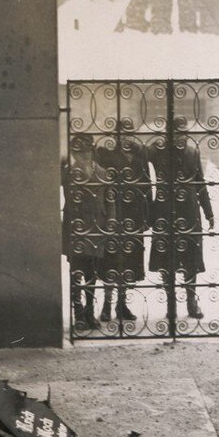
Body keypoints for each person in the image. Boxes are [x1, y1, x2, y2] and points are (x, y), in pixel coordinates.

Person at [146, 127, 215, 320]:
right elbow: (143, 153)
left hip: (189, 211)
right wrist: (159, 141)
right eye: (176, 133)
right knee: (166, 257)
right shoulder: (159, 151)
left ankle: (191, 302)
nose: (181, 137)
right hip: (164, 211)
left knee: (191, 257)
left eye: (183, 133)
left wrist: (209, 213)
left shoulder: (192, 152)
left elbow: (200, 183)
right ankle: (171, 304)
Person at [94, 136, 152, 323]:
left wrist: (147, 216)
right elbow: (101, 183)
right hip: (114, 214)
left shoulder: (139, 155)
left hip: (134, 217)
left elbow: (147, 187)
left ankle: (121, 304)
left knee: (129, 260)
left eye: (128, 131)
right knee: (111, 259)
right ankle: (106, 305)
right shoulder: (107, 154)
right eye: (122, 132)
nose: (125, 136)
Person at [61, 133, 114, 331]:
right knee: (76, 273)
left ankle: (89, 312)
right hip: (76, 228)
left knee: (92, 274)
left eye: (85, 152)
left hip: (97, 228)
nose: (82, 156)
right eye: (78, 153)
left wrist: (111, 220)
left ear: (92, 152)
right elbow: (67, 196)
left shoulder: (103, 172)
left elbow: (109, 200)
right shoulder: (69, 173)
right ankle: (79, 315)